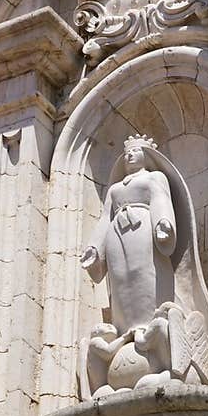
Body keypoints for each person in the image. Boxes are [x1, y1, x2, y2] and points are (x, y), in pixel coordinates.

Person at [81, 136, 178, 333]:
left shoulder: (155, 177)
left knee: (144, 271)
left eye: (135, 151)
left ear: (147, 156)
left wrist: (163, 222)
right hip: (117, 235)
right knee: (121, 276)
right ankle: (126, 328)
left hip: (143, 228)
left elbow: (161, 199)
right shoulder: (115, 188)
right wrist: (95, 247)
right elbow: (105, 218)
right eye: (127, 153)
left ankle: (152, 324)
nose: (129, 155)